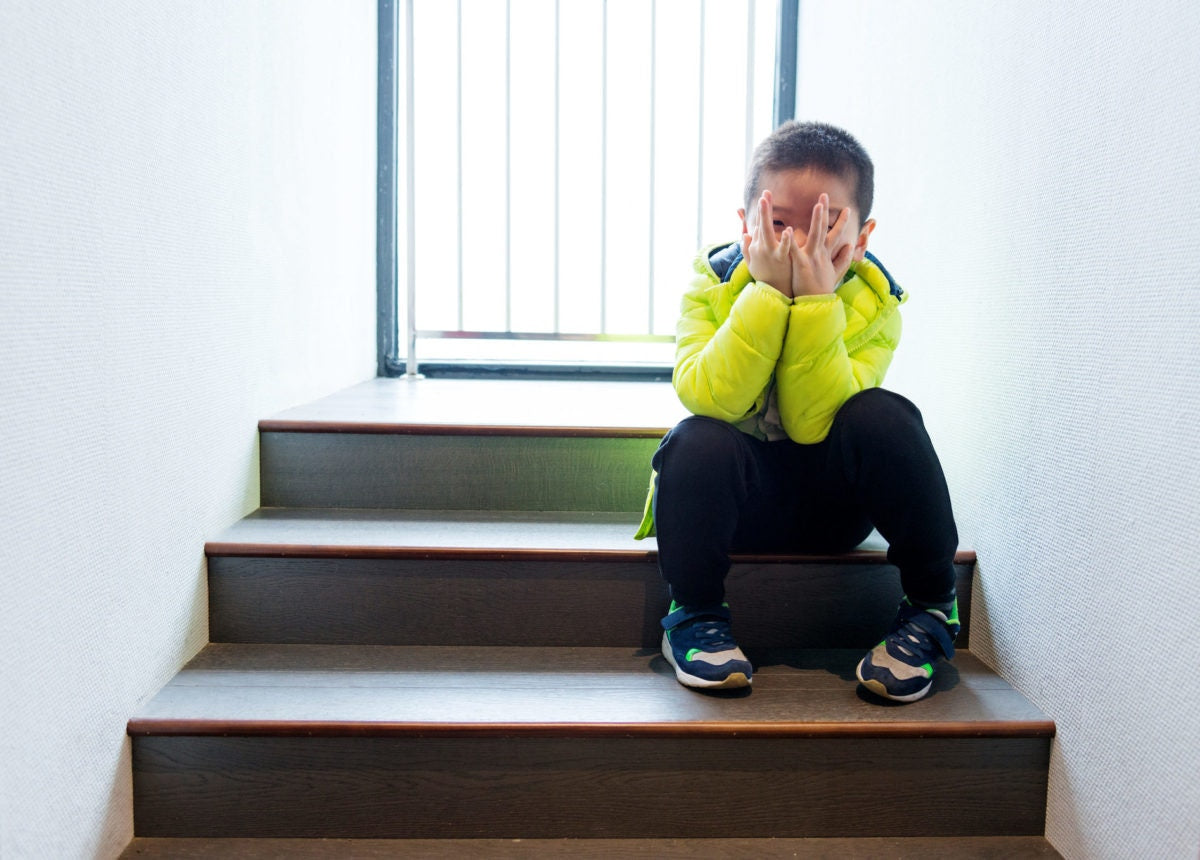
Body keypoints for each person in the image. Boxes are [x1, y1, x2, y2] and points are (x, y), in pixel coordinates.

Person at [634, 121, 960, 703]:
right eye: (779, 222)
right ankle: (695, 615)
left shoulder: (874, 302)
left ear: (861, 238)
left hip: (831, 509)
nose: (798, 243)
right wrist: (762, 295)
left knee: (884, 416)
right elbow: (709, 396)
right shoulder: (712, 283)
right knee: (694, 438)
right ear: (746, 224)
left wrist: (813, 302)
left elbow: (816, 422)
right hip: (735, 507)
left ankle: (933, 608)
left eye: (824, 225)